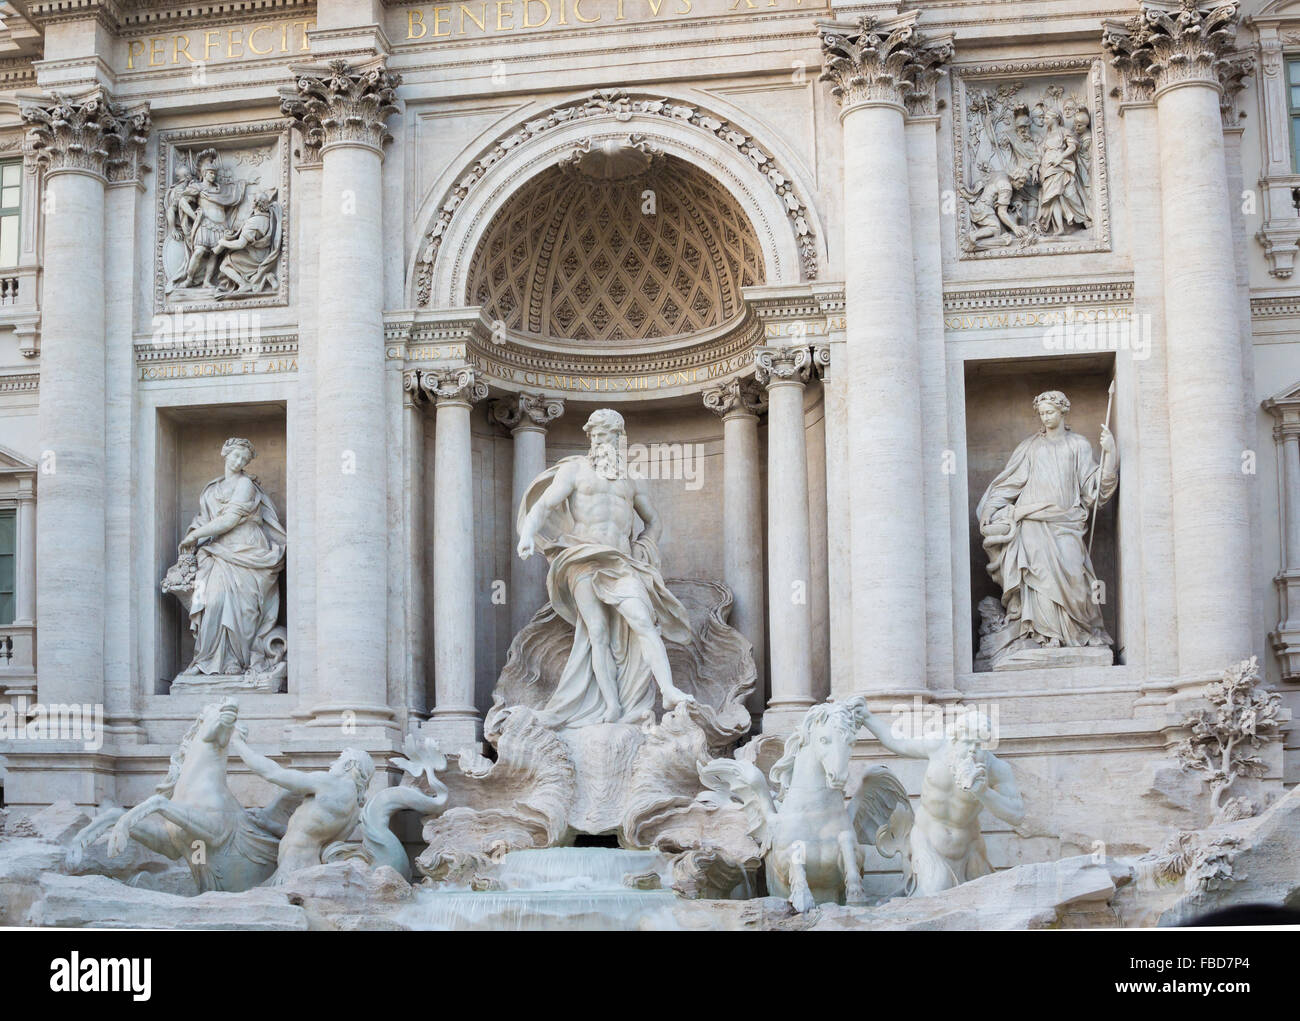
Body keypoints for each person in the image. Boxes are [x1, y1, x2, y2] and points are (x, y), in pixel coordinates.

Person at [516, 408, 695, 726]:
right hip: (582, 558)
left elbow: (653, 520)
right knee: (596, 633)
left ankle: (667, 690)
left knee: (643, 621)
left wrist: (645, 545)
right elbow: (544, 505)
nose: (600, 440)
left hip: (621, 562)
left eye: (606, 435)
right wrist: (528, 534)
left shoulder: (632, 478)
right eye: (595, 435)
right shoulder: (574, 470)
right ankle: (611, 706)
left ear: (618, 438)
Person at [977, 391, 1116, 653]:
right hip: (1031, 520)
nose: (1045, 417)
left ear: (1063, 412)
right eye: (1041, 413)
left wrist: (1110, 455)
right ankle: (1043, 634)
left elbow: (1094, 490)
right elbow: (1009, 484)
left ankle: (1077, 632)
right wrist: (990, 509)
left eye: (1050, 411)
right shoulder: (1030, 447)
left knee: (1075, 574)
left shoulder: (1078, 445)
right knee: (1037, 576)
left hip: (1066, 521)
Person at [857, 705, 1024, 895]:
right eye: (966, 742)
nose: (972, 751)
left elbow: (1017, 815)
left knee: (981, 901)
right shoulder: (938, 745)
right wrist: (867, 717)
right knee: (935, 892)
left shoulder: (996, 768)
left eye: (978, 745)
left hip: (969, 849)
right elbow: (898, 742)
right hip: (927, 842)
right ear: (955, 738)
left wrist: (984, 792)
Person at [177, 438, 287, 679]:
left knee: (244, 609)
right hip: (218, 551)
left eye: (244, 459)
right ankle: (205, 659)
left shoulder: (245, 484)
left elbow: (228, 521)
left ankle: (237, 662)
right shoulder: (211, 489)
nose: (239, 462)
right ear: (225, 453)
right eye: (236, 455)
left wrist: (195, 535)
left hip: (247, 548)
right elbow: (205, 519)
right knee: (213, 602)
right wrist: (196, 535)